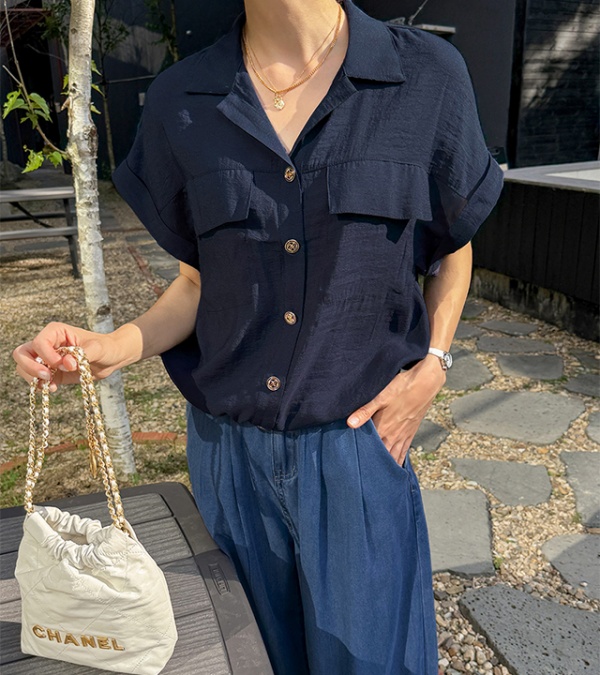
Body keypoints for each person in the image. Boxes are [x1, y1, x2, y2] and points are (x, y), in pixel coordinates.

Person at [13, 0, 504, 672]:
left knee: (372, 660)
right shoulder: (183, 99)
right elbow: (196, 286)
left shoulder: (426, 77)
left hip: (357, 451)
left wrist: (434, 364)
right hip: (228, 458)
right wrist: (112, 347)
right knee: (249, 658)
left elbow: (453, 248)